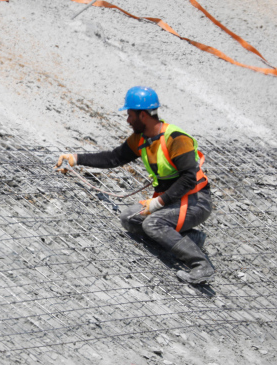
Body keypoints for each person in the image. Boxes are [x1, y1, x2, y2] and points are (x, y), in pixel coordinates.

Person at [56, 86, 214, 284]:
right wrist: (76, 158)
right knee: (129, 218)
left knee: (153, 223)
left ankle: (200, 265)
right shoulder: (141, 139)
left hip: (196, 201)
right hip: (172, 199)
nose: (128, 120)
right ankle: (191, 240)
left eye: (130, 115)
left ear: (143, 115)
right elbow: (113, 158)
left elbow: (189, 178)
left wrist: (158, 204)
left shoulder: (176, 139)